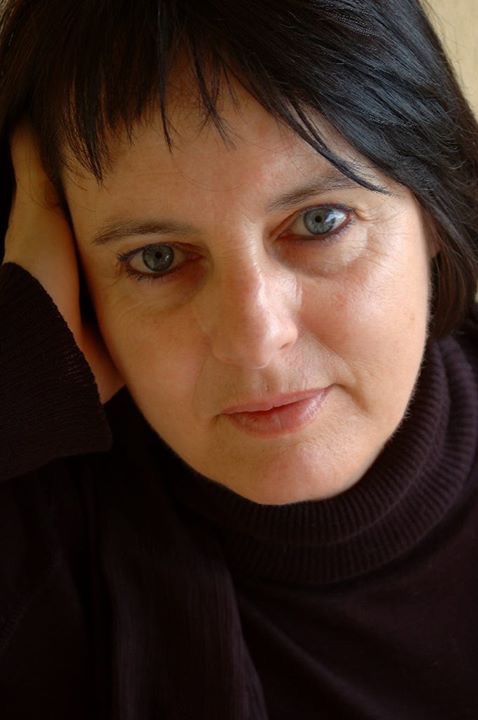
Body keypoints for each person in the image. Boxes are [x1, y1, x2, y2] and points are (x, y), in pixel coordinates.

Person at [0, 0, 477, 718]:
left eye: (319, 221)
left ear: (434, 208)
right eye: (157, 259)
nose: (255, 338)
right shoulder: (34, 539)